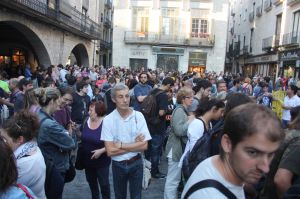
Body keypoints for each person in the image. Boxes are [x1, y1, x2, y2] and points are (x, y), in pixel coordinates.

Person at [181, 104, 284, 199]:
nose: (265, 168)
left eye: (270, 155)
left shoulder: (215, 163)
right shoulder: (211, 195)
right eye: (253, 152)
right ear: (227, 144)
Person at [101, 83, 151, 199]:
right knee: (120, 196)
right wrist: (135, 144)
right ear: (113, 99)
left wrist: (121, 145)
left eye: (127, 96)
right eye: (121, 97)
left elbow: (145, 146)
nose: (125, 100)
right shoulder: (108, 120)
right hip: (118, 165)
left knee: (137, 197)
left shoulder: (138, 116)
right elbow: (110, 151)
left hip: (136, 163)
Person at [36, 87, 75, 199]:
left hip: (48, 164)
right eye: (58, 101)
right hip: (55, 167)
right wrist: (67, 133)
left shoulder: (40, 115)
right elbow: (70, 143)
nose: (60, 104)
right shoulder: (49, 124)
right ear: (52, 101)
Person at [0, 111, 46, 198]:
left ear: (19, 139)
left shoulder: (25, 164)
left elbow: (6, 190)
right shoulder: (30, 148)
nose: (1, 142)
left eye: (4, 139)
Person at [164, 87, 194, 199]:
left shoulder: (183, 110)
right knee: (173, 180)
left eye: (192, 96)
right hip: (175, 149)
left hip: (177, 149)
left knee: (174, 180)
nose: (192, 99)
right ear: (182, 99)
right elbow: (179, 131)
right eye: (189, 97)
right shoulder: (179, 110)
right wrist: (190, 121)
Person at [179, 98, 225, 168]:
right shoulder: (198, 123)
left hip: (199, 163)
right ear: (214, 109)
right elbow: (193, 148)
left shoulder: (209, 124)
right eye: (221, 111)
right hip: (192, 163)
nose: (222, 114)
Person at [145, 77, 175, 178]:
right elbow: (161, 112)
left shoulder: (153, 91)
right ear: (169, 85)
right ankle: (154, 172)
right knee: (156, 151)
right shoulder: (163, 96)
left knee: (148, 150)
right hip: (157, 126)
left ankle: (147, 169)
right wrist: (168, 110)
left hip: (148, 124)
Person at [81, 101, 111, 199]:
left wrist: (101, 151)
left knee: (104, 185)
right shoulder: (86, 120)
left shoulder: (106, 122)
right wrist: (76, 130)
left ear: (98, 111)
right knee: (92, 184)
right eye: (89, 110)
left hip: (102, 162)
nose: (88, 112)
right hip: (88, 161)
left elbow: (114, 142)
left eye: (91, 110)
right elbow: (83, 137)